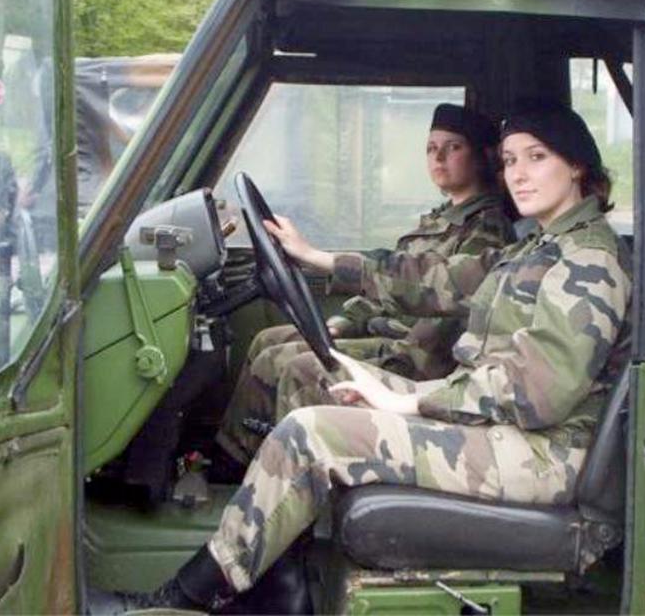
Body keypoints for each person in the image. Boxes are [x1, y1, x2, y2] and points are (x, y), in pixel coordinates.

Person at [125, 103, 633, 614]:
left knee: (309, 433)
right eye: (510, 160)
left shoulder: (587, 262)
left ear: (576, 165)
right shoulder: (540, 245)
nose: (518, 174)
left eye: (537, 157)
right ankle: (279, 572)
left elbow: (538, 392)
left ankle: (187, 599)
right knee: (334, 381)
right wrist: (390, 381)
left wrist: (412, 402)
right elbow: (442, 291)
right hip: (508, 429)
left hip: (542, 455)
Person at [210, 103, 516, 480]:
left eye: (453, 147)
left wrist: (319, 259)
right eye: (431, 148)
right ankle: (238, 460)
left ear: (483, 157)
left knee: (292, 364)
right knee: (268, 340)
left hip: (417, 357)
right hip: (394, 338)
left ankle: (275, 478)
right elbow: (388, 287)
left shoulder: (486, 230)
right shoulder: (441, 218)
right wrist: (345, 323)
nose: (438, 157)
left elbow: (431, 294)